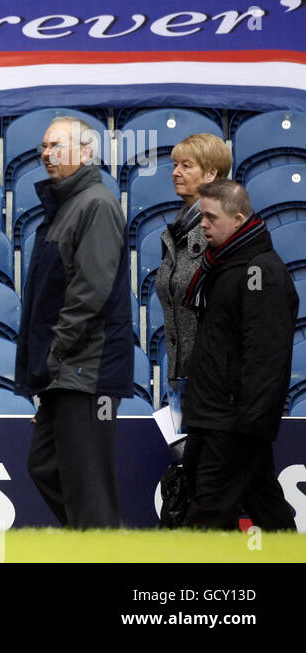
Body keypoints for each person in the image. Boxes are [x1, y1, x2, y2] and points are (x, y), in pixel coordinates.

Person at [15, 117, 134, 529]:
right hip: (65, 370)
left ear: (86, 154)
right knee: (45, 465)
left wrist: (54, 355)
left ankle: (100, 546)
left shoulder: (95, 204)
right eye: (44, 147)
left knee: (87, 485)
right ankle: (90, 541)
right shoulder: (67, 203)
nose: (47, 155)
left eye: (57, 146)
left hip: (87, 368)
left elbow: (90, 292)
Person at [180, 179, 297, 531]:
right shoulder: (224, 267)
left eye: (211, 218)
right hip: (214, 414)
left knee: (205, 514)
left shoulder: (261, 273)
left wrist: (251, 422)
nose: (202, 225)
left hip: (233, 421)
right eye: (201, 217)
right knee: (267, 507)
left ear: (239, 218)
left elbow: (267, 356)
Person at [155, 134, 232, 428]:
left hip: (213, 385)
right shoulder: (179, 228)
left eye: (186, 165)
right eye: (175, 164)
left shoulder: (221, 230)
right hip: (182, 379)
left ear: (211, 173)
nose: (175, 172)